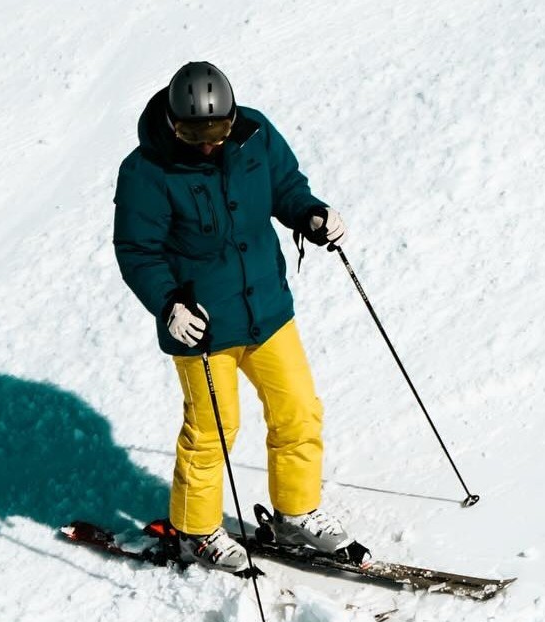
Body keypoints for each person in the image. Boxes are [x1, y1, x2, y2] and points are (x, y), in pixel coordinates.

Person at [114, 60, 360, 574]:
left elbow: (285, 187)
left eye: (216, 130)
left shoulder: (254, 136)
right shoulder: (146, 170)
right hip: (200, 326)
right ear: (171, 121)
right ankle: (196, 531)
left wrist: (310, 214)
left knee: (298, 410)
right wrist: (168, 304)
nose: (207, 144)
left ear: (232, 117)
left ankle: (295, 514)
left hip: (266, 309)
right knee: (214, 430)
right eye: (192, 132)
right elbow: (138, 251)